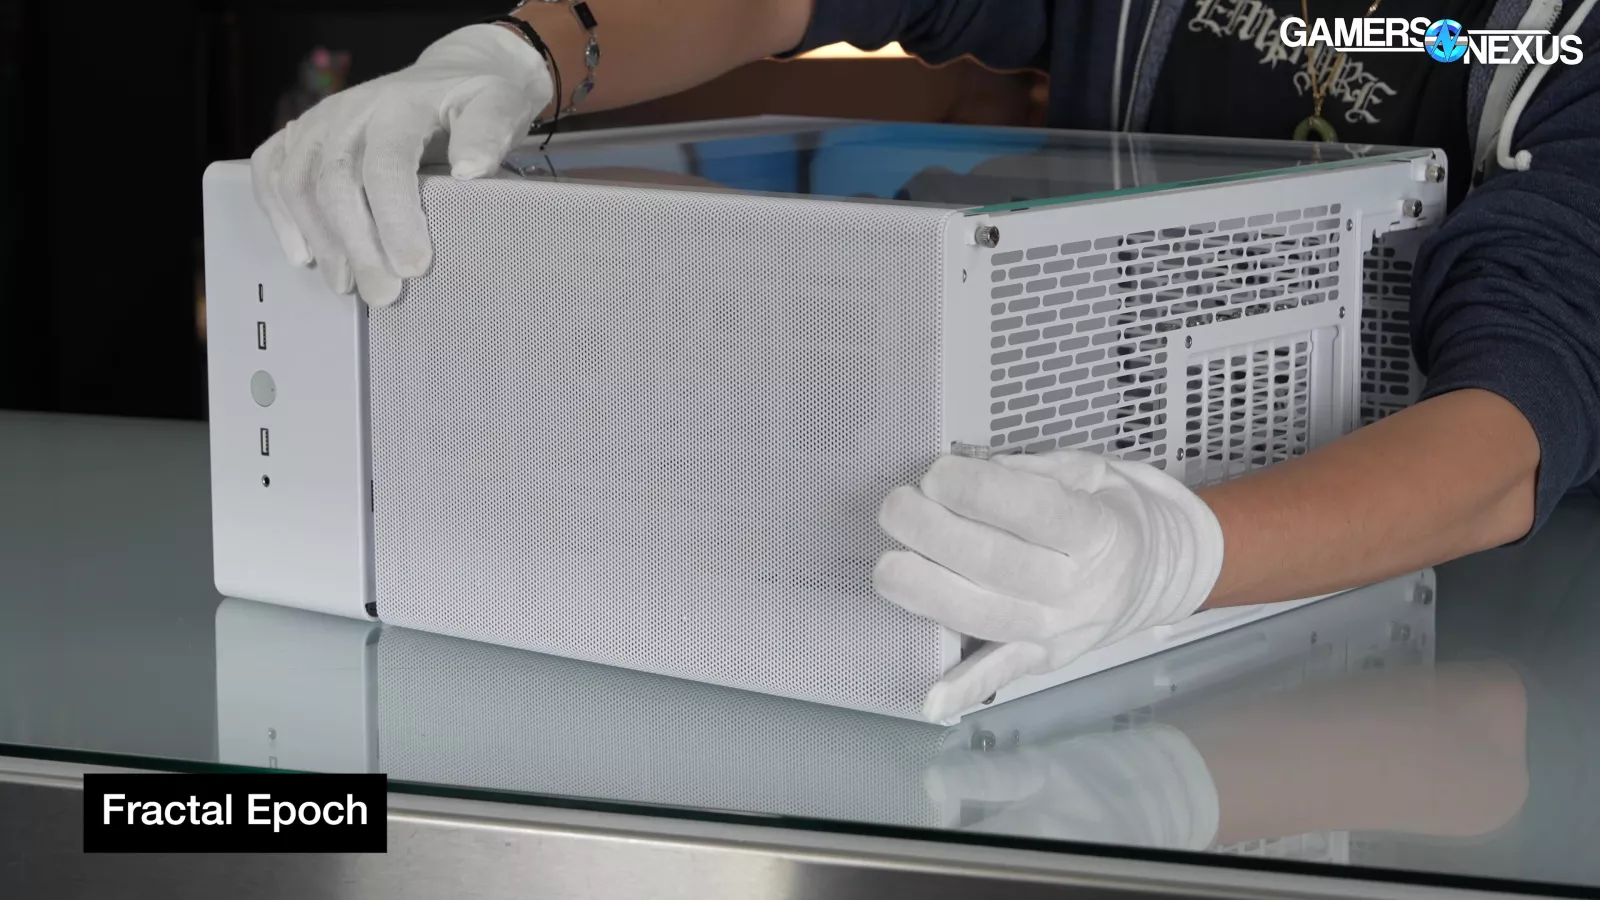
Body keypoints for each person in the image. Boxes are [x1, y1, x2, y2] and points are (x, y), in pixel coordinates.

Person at [249, 0, 1600, 722]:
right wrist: (534, 51)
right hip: (1048, 587)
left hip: (1458, 653)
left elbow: (1517, 416)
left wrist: (1177, 557)